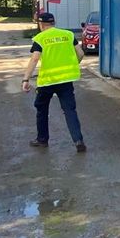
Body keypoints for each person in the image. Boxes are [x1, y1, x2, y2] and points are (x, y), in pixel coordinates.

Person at [22, 11, 87, 152]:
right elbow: (81, 53)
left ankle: (42, 140)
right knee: (70, 110)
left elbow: (34, 59)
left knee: (41, 109)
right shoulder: (68, 35)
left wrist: (26, 79)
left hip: (48, 82)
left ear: (41, 24)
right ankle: (78, 140)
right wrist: (73, 65)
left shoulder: (40, 38)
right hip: (66, 80)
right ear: (53, 23)